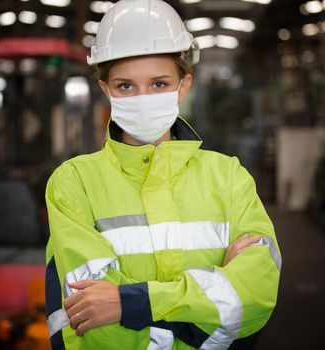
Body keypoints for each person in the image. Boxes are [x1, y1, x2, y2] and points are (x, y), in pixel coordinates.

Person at [44, 0, 281, 349]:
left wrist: (131, 303)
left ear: (183, 87)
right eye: (126, 86)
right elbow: (92, 327)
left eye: (158, 84)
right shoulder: (73, 184)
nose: (143, 97)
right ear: (105, 89)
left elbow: (256, 296)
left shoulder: (228, 176)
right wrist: (216, 293)